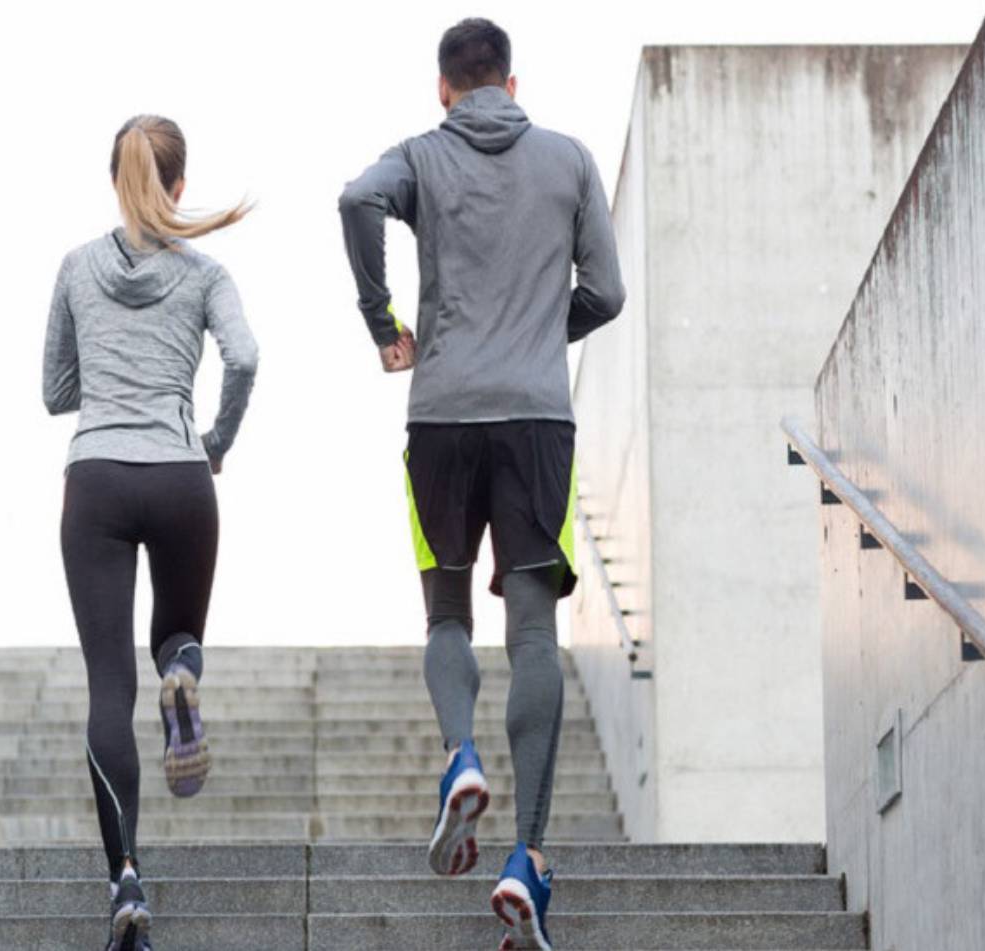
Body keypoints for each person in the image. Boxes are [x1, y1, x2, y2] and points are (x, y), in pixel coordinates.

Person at [337, 17, 624, 951]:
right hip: (540, 419)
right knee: (534, 628)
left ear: (444, 87)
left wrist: (383, 320)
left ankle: (459, 754)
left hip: (441, 416)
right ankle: (525, 855)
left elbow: (353, 201)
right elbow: (609, 293)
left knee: (446, 614)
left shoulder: (421, 154)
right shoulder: (571, 160)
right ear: (513, 78)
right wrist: (545, 327)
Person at [43, 114, 258, 951]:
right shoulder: (207, 274)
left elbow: (56, 388)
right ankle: (182, 672)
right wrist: (214, 443)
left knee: (107, 687)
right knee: (175, 635)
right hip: (179, 476)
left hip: (95, 477)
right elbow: (244, 358)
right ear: (179, 184)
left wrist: (105, 378)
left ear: (115, 182)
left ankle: (126, 876)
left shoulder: (75, 267)